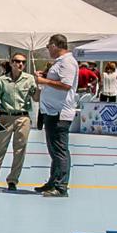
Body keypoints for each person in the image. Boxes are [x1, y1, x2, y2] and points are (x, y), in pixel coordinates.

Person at [0, 54, 37, 191]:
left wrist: (39, 85)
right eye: (17, 61)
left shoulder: (29, 79)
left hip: (23, 118)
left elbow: (36, 97)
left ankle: (13, 180)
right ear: (11, 63)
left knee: (19, 151)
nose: (20, 64)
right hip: (5, 117)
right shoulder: (2, 80)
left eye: (23, 62)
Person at [34, 33, 79, 197]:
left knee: (60, 150)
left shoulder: (67, 62)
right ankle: (53, 181)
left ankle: (61, 186)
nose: (47, 50)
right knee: (54, 150)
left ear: (55, 45)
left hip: (59, 113)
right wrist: (46, 76)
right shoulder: (61, 62)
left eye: (48, 46)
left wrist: (44, 82)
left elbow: (66, 85)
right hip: (52, 112)